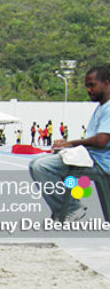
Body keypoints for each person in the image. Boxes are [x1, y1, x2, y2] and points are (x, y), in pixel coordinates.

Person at [30, 65, 110, 221]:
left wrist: (70, 144)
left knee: (41, 166)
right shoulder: (102, 107)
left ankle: (71, 208)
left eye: (92, 85)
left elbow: (101, 140)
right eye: (87, 86)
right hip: (92, 158)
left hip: (100, 162)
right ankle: (65, 208)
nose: (89, 90)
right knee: (38, 163)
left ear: (107, 83)